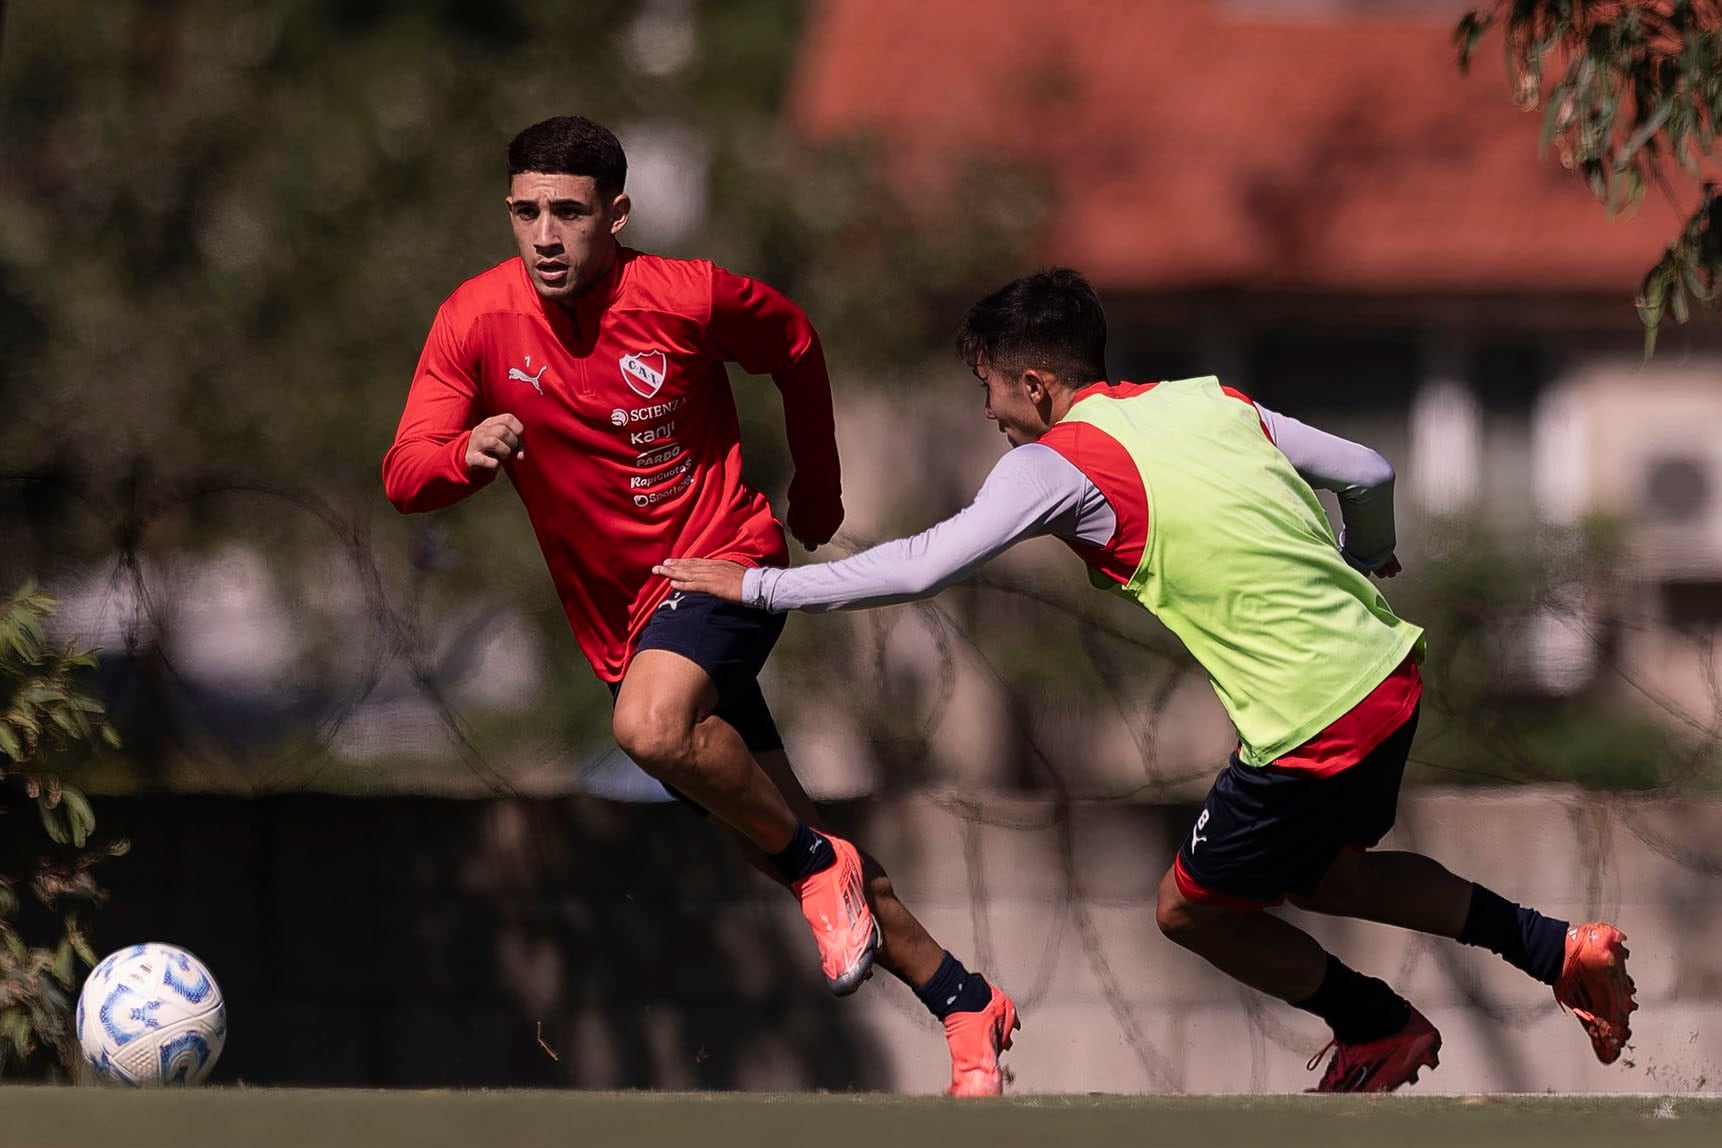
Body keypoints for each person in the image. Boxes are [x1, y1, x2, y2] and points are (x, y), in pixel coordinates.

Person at [658, 267, 1638, 1092]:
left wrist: (760, 583)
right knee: (1331, 872)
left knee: (1190, 907)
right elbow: (1369, 468)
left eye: (990, 389)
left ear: (1036, 384)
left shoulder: (1055, 464)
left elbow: (921, 564)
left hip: (1310, 717)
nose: (990, 412)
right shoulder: (1208, 399)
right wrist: (1366, 556)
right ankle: (1556, 947)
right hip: (1386, 665)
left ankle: (1379, 1024)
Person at [382, 116, 1019, 1095]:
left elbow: (796, 342)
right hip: (621, 625)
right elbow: (404, 468)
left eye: (568, 211)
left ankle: (820, 866)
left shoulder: (687, 295)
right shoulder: (475, 320)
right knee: (785, 838)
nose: (545, 234)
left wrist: (817, 485)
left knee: (651, 729)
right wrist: (460, 459)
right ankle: (964, 999)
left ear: (616, 214)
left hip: (721, 565)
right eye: (526, 212)